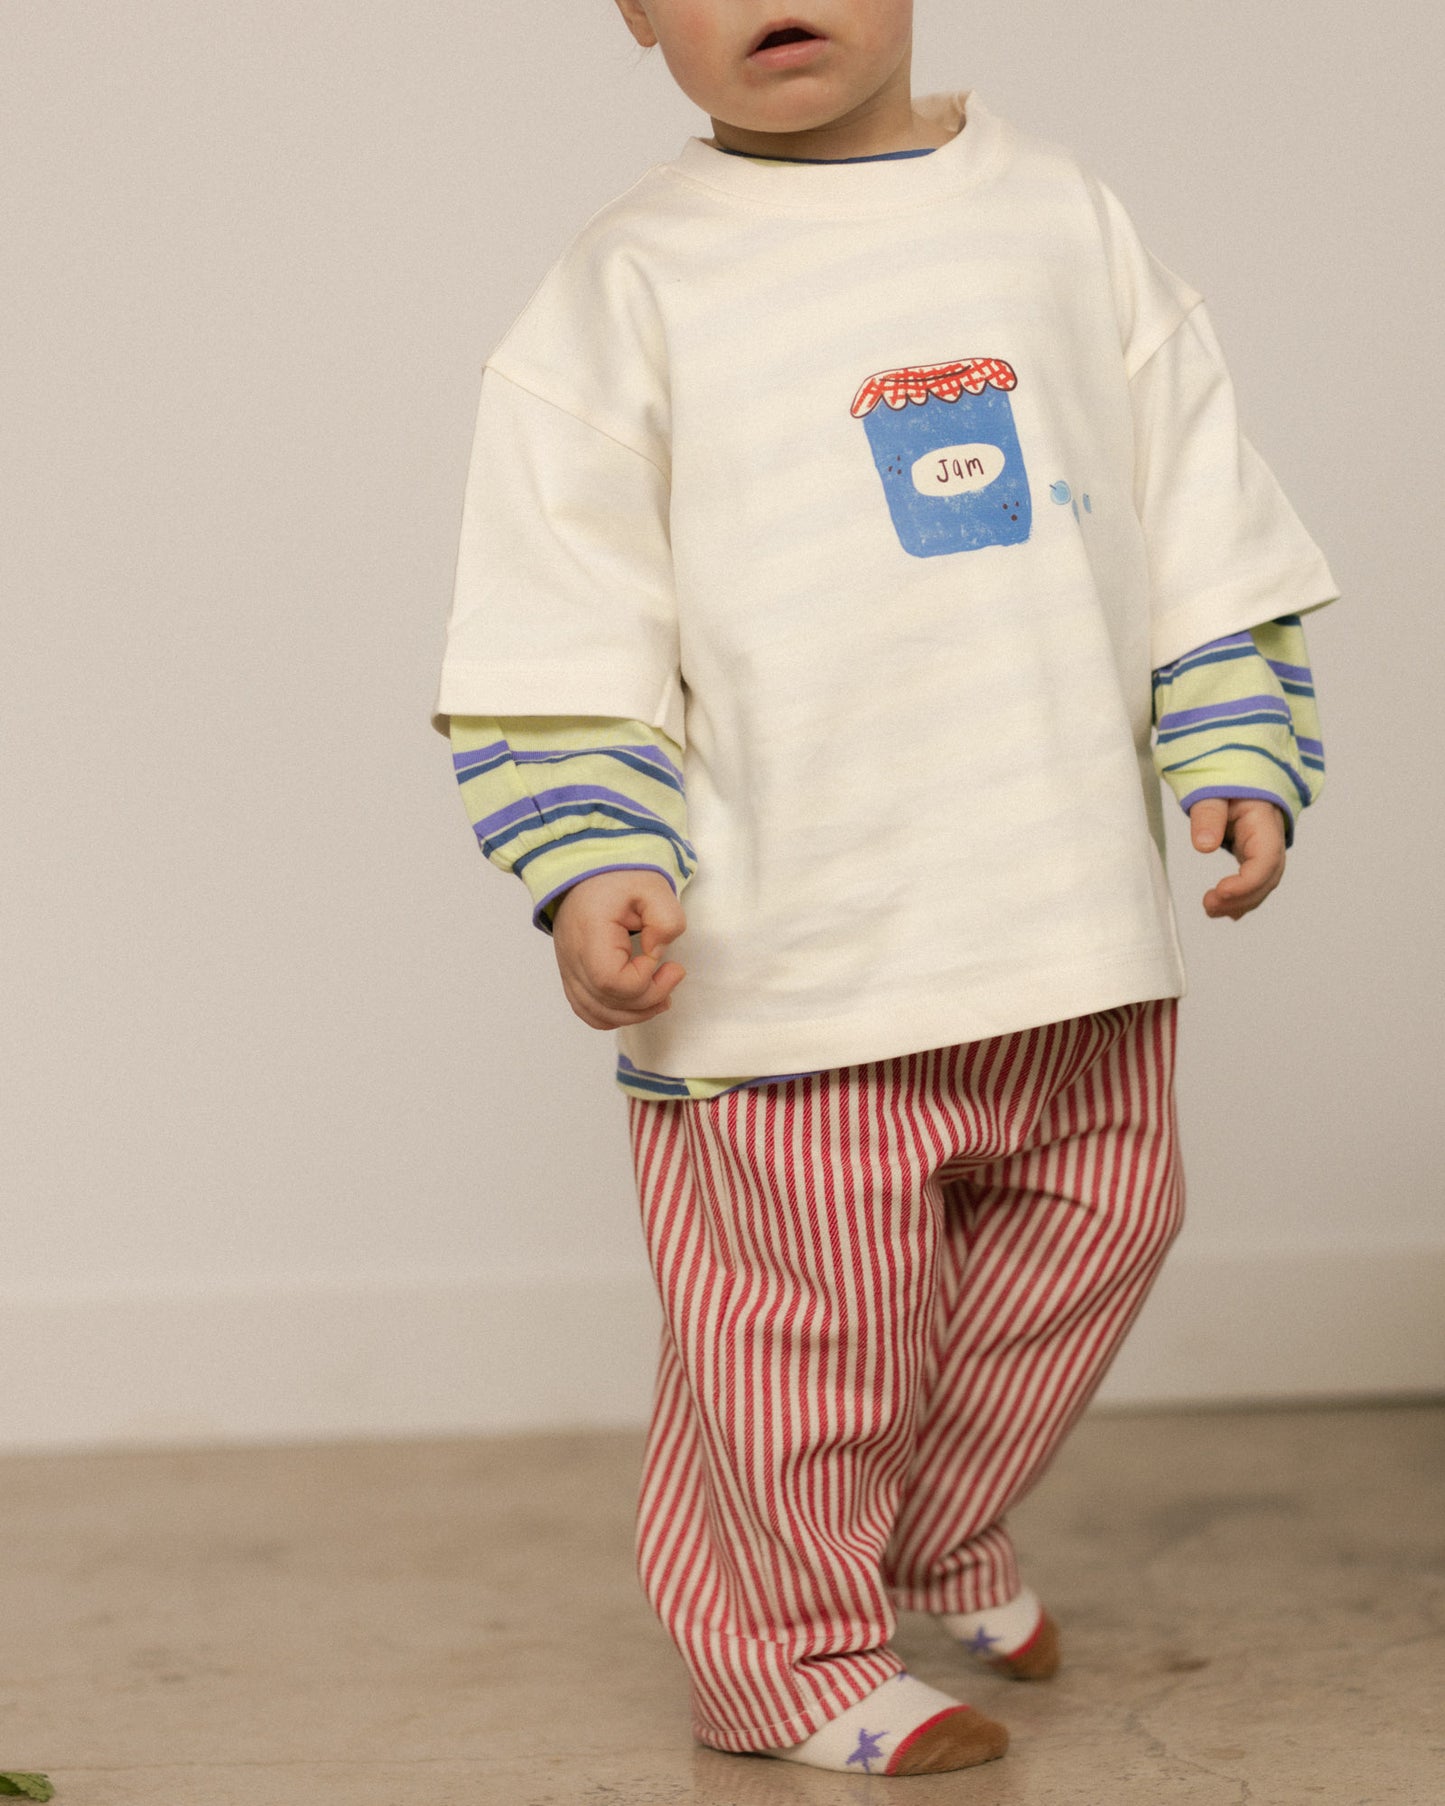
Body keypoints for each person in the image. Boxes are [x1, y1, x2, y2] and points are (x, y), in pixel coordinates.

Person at [431, 0, 1339, 1778]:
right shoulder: (629, 287)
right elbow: (555, 603)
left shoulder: (1060, 215)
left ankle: (926, 1531)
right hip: (793, 963)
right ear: (632, 11)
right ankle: (781, 1655)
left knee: (1101, 1229)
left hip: (1064, 925)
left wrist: (1232, 734)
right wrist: (593, 850)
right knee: (802, 1340)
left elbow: (1193, 498)